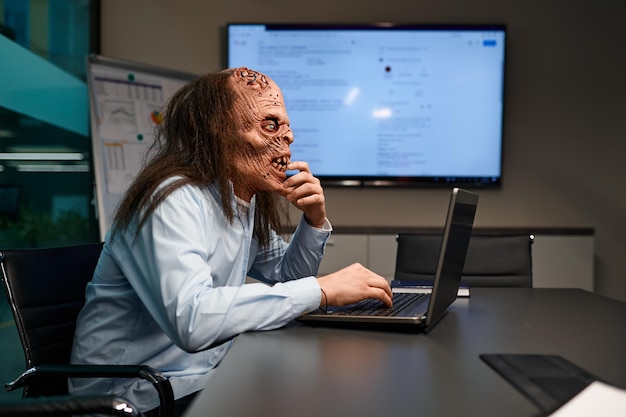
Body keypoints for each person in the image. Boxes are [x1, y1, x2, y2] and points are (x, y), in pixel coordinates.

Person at [70, 67, 393, 416]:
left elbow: (287, 277)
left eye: (286, 126)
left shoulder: (238, 199)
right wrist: (321, 289)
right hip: (133, 393)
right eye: (270, 125)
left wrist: (313, 221)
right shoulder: (169, 200)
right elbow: (191, 320)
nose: (289, 138)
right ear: (217, 132)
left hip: (195, 376)